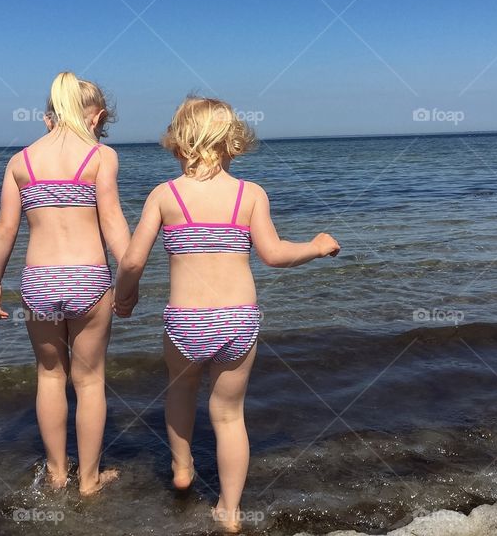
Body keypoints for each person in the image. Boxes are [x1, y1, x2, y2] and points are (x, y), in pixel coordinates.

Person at [114, 96, 340, 532]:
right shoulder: (250, 195)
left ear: (178, 143)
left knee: (180, 394)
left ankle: (182, 469)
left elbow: (131, 261)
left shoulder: (165, 195)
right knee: (229, 416)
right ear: (233, 144)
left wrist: (124, 296)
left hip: (186, 320)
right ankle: (230, 511)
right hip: (237, 320)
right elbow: (273, 255)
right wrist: (315, 246)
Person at [0, 72, 129, 495]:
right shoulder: (100, 157)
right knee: (89, 381)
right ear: (97, 116)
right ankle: (88, 480)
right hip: (88, 277)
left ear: (49, 118)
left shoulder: (20, 162)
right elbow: (114, 224)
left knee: (49, 376)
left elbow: (4, 229)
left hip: (39, 282)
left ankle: (55, 473)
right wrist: (130, 274)